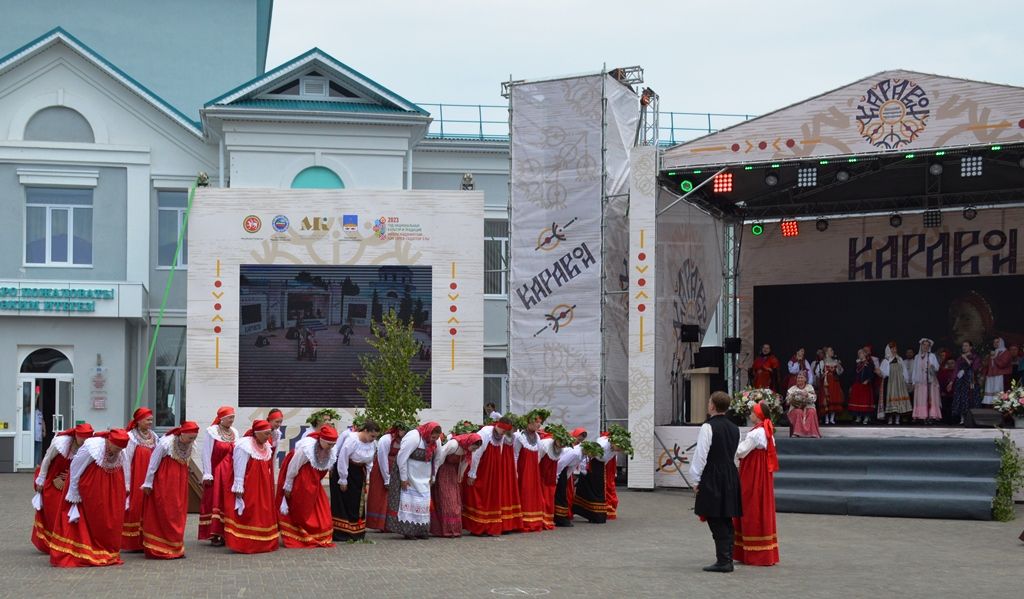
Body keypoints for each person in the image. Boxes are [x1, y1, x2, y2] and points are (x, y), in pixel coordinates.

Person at [49, 429, 131, 567]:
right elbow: (75, 467)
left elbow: (126, 467)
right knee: (87, 518)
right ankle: (85, 550)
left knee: (109, 518)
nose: (118, 452)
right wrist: (74, 492)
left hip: (111, 486)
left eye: (120, 449)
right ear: (109, 442)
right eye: (116, 448)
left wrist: (126, 487)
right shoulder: (92, 447)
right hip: (90, 486)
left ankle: (106, 549)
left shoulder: (121, 451)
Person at [690, 391, 742, 573]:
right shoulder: (734, 428)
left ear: (712, 406)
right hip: (729, 472)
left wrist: (696, 479)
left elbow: (701, 454)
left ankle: (724, 560)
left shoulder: (708, 427)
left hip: (714, 473)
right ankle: (726, 557)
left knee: (715, 516)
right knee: (726, 516)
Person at [140, 421, 199, 559]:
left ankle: (176, 547)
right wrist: (148, 483)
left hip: (179, 482)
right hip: (165, 482)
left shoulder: (189, 444)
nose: (192, 440)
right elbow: (153, 463)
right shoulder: (166, 443)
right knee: (165, 512)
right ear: (182, 434)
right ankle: (159, 548)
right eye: (190, 437)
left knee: (178, 512)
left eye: (194, 438)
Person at [31, 422, 93, 553]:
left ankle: (66, 543)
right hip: (53, 480)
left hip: (71, 484)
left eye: (88, 438)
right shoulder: (60, 443)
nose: (85, 441)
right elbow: (46, 460)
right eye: (83, 438)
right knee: (53, 511)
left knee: (70, 515)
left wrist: (69, 480)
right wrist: (42, 480)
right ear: (76, 435)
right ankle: (50, 542)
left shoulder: (89, 447)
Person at [733, 402, 779, 567]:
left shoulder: (757, 433)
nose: (750, 415)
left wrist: (731, 445)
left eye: (752, 412)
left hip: (753, 473)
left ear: (758, 415)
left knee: (750, 505)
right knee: (760, 505)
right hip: (763, 474)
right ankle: (763, 550)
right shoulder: (766, 430)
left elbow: (741, 451)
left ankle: (753, 551)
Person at [224, 419, 278, 554]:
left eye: (269, 434)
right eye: (266, 434)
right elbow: (239, 466)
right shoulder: (244, 446)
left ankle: (263, 542)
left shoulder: (266, 447)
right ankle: (246, 543)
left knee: (262, 512)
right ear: (257, 433)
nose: (268, 437)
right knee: (250, 511)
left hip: (263, 486)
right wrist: (239, 486)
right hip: (250, 485)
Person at [279, 424, 338, 548]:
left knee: (323, 511)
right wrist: (288, 485)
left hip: (314, 482)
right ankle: (299, 535)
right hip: (301, 479)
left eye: (332, 445)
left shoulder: (330, 450)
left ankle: (317, 535)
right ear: (321, 440)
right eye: (329, 444)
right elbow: (293, 466)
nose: (330, 448)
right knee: (302, 509)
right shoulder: (307, 449)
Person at [464, 417, 522, 535]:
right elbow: (476, 454)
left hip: (493, 472)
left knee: (491, 498)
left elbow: (499, 451)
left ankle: (489, 525)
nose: (504, 434)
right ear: (499, 426)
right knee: (481, 497)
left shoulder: (500, 436)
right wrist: (472, 473)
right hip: (483, 470)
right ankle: (478, 527)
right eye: (503, 431)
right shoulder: (485, 434)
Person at [389, 422, 442, 539]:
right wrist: (403, 478)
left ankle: (421, 529)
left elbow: (437, 459)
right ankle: (408, 531)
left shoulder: (437, 441)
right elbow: (401, 458)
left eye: (437, 437)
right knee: (409, 501)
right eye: (433, 437)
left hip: (424, 475)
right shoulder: (414, 437)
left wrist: (433, 476)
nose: (434, 440)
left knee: (423, 502)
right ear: (428, 432)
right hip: (410, 473)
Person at [330, 420, 380, 542]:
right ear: (365, 431)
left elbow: (369, 462)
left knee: (357, 502)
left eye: (375, 437)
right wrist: (343, 479)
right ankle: (343, 533)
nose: (373, 439)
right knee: (345, 501)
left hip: (359, 473)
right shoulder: (352, 440)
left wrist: (367, 478)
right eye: (372, 436)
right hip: (346, 471)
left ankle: (356, 532)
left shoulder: (372, 444)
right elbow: (342, 458)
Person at [200, 406, 238, 545]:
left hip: (230, 473)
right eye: (229, 417)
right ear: (221, 418)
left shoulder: (234, 432)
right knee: (215, 500)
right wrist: (207, 473)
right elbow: (206, 453)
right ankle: (214, 533)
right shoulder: (212, 432)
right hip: (217, 472)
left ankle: (227, 531)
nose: (232, 420)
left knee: (227, 501)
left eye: (233, 417)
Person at [431, 432, 482, 537]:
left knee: (455, 501)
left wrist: (460, 476)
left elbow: (464, 463)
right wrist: (434, 474)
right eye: (474, 448)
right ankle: (445, 530)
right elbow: (440, 457)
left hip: (453, 474)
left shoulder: (467, 450)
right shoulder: (454, 445)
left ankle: (454, 529)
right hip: (443, 471)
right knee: (447, 499)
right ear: (470, 443)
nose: (474, 450)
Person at [122, 407, 158, 551]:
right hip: (136, 477)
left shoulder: (154, 436)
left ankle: (148, 538)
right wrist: (127, 483)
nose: (151, 422)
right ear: (138, 421)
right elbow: (126, 460)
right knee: (136, 505)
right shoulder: (131, 437)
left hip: (150, 477)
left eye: (151, 419)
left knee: (149, 507)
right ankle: (133, 542)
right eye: (148, 419)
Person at [366, 422, 408, 532]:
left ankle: (390, 523)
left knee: (393, 497)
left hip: (395, 470)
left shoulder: (404, 441)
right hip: (381, 470)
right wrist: (386, 478)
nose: (403, 433)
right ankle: (380, 523)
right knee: (381, 497)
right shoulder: (386, 439)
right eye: (401, 430)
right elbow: (382, 458)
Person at [514, 410, 548, 532]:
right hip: (523, 470)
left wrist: (535, 468)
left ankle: (535, 519)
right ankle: (524, 520)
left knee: (534, 492)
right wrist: (515, 471)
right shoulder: (520, 436)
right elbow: (515, 455)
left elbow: (538, 454)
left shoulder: (537, 436)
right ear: (528, 422)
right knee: (525, 492)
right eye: (536, 422)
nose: (538, 425)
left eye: (540, 422)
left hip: (533, 470)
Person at [573, 434, 618, 523]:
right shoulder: (603, 446)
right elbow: (587, 458)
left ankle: (597, 514)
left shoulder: (613, 450)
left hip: (600, 468)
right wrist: (583, 470)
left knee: (598, 490)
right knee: (592, 490)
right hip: (592, 468)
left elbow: (606, 460)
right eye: (618, 447)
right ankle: (591, 513)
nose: (618, 450)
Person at [537, 431, 566, 529]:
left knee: (549, 497)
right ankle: (540, 519)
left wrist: (556, 477)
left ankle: (547, 519)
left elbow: (558, 463)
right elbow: (537, 458)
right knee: (541, 498)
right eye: (560, 442)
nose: (562, 445)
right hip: (541, 474)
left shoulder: (561, 449)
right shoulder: (545, 444)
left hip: (551, 476)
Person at [879, 343, 913, 425]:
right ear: (889, 350)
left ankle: (897, 418)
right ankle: (890, 419)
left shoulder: (900, 359)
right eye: (892, 349)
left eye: (895, 349)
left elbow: (904, 370)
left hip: (899, 383)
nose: (894, 350)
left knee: (899, 400)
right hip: (890, 383)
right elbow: (884, 372)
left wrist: (907, 381)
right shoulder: (886, 360)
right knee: (890, 400)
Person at [553, 442, 585, 527]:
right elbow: (561, 463)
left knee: (562, 494)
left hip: (564, 470)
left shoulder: (582, 454)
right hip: (559, 469)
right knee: (560, 494)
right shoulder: (575, 453)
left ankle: (561, 517)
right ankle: (559, 518)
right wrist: (556, 476)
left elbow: (572, 467)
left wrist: (567, 478)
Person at [912, 338, 942, 424]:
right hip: (920, 381)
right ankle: (921, 416)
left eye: (927, 345)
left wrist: (931, 366)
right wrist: (914, 381)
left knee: (930, 397)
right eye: (923, 345)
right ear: (921, 346)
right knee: (921, 398)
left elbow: (936, 368)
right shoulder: (917, 357)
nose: (925, 347)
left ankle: (931, 415)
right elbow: (914, 369)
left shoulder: (931, 356)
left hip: (930, 381)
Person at [951, 341, 982, 425]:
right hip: (961, 381)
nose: (964, 347)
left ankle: (973, 418)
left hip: (970, 381)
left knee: (971, 398)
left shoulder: (975, 357)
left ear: (970, 347)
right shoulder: (959, 358)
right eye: (963, 346)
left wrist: (966, 358)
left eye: (966, 346)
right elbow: (956, 370)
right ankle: (962, 418)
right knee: (961, 398)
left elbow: (974, 368)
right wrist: (951, 382)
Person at [815, 347, 844, 425]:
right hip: (826, 383)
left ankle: (832, 418)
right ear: (827, 352)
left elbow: (840, 372)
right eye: (831, 350)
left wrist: (838, 366)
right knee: (827, 399)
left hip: (834, 383)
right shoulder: (822, 362)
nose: (832, 351)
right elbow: (817, 372)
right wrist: (822, 375)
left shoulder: (835, 361)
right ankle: (827, 418)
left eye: (832, 350)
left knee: (834, 398)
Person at [786, 371, 820, 438]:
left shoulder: (810, 387)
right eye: (798, 378)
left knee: (811, 411)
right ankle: (797, 433)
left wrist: (807, 395)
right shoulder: (792, 388)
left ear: (805, 379)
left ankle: (812, 433)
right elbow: (787, 401)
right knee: (798, 412)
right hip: (795, 408)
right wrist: (792, 397)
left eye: (801, 378)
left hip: (808, 406)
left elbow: (814, 399)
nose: (799, 379)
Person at [849, 349, 877, 424]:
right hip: (857, 385)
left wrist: (868, 380)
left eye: (861, 353)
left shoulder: (869, 363)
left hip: (865, 385)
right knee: (858, 401)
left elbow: (872, 374)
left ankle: (866, 417)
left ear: (864, 354)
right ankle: (858, 417)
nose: (860, 354)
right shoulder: (857, 364)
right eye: (858, 353)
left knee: (865, 402)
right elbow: (853, 374)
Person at [982, 337, 1012, 406]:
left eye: (997, 342)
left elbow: (1002, 364)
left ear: (1001, 343)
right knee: (991, 393)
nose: (995, 343)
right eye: (994, 342)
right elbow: (987, 365)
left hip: (1001, 376)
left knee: (999, 393)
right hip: (992, 376)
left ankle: (1000, 405)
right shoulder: (993, 352)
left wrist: (994, 358)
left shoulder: (1006, 352)